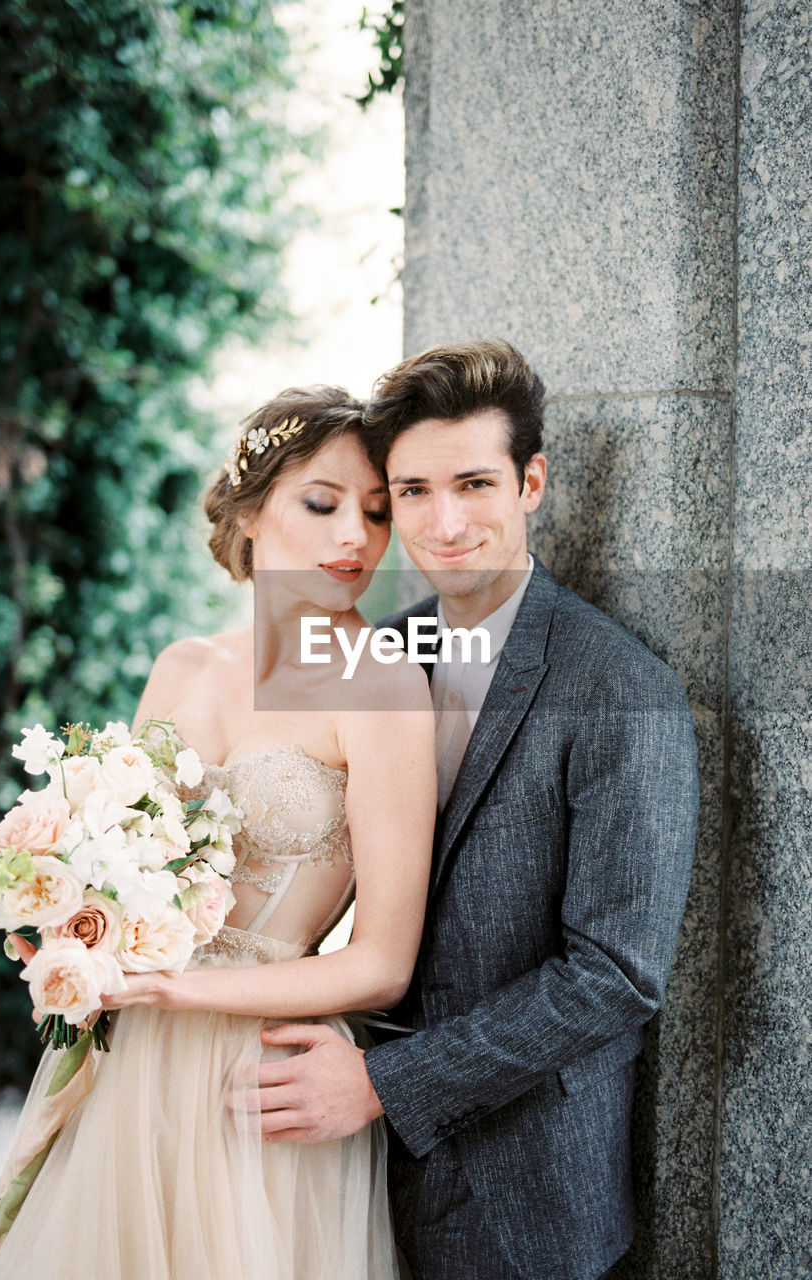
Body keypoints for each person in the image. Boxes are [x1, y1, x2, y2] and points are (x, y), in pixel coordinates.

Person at [254, 341, 700, 1280]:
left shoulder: (621, 686)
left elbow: (615, 976)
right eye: (411, 491)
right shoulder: (373, 653)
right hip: (350, 1172)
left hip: (525, 1184)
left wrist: (381, 1086)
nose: (443, 522)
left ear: (530, 482)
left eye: (472, 483)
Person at [0, 385, 437, 1280]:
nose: (355, 538)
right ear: (252, 508)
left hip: (263, 1071)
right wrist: (63, 929)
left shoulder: (380, 684)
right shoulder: (183, 665)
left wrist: (172, 993)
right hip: (129, 1053)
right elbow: (111, 861)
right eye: (323, 502)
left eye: (377, 513)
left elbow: (383, 962)